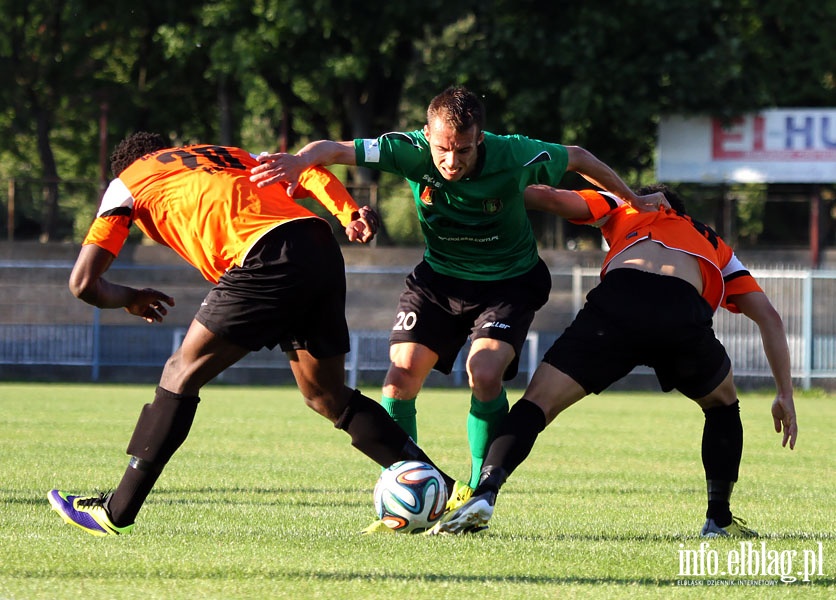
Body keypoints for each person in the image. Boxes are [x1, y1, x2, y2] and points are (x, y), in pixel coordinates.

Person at [250, 86, 660, 532]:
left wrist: (632, 201)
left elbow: (578, 156)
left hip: (509, 282)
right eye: (442, 148)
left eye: (463, 150)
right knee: (400, 377)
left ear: (480, 138)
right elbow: (334, 149)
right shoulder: (406, 150)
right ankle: (414, 483)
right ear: (427, 135)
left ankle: (477, 493)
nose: (451, 160)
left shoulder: (515, 154)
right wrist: (299, 160)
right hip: (439, 280)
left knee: (484, 374)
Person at [47, 132, 455, 537]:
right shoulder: (228, 153)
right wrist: (348, 213)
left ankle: (116, 511)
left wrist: (131, 297)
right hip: (317, 245)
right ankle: (448, 493)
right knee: (326, 395)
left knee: (179, 372)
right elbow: (305, 169)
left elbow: (83, 284)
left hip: (263, 254)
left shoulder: (128, 182)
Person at [433, 183, 798, 536]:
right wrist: (785, 394)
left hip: (618, 301)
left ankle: (485, 493)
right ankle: (718, 519)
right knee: (722, 406)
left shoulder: (625, 203)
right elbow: (770, 317)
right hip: (680, 309)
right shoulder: (714, 242)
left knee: (536, 404)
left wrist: (477, 185)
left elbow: (549, 198)